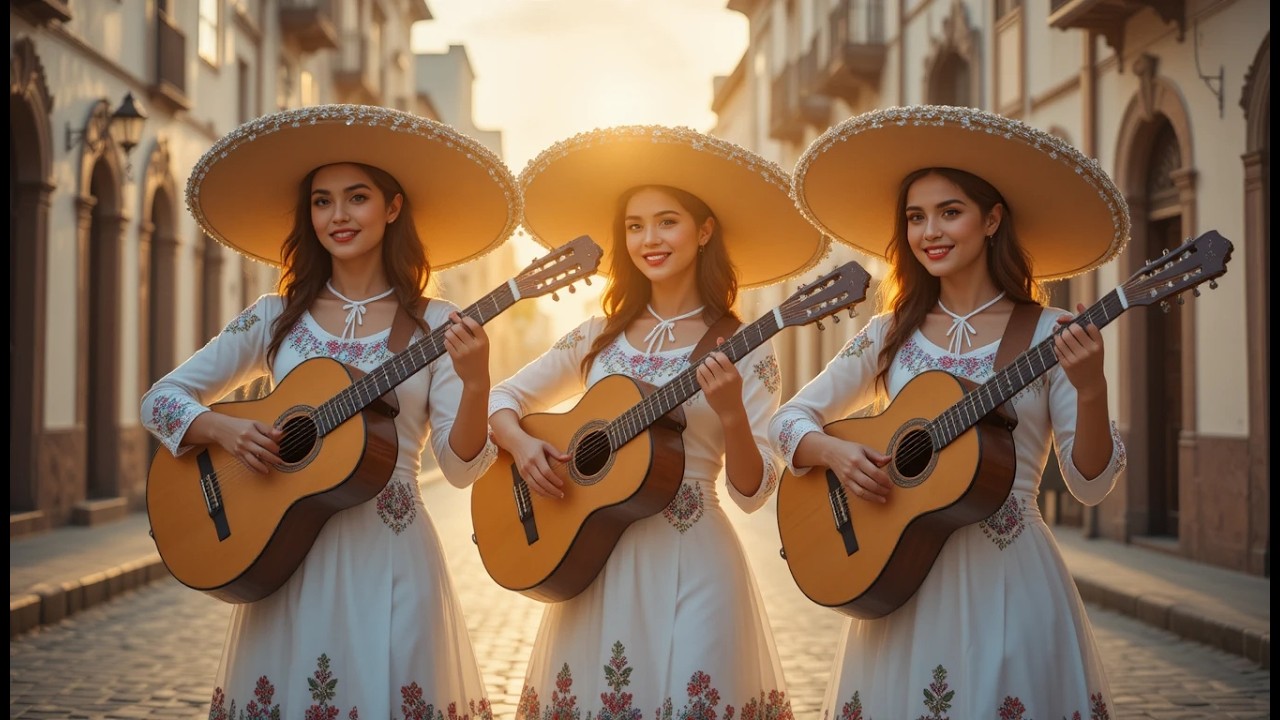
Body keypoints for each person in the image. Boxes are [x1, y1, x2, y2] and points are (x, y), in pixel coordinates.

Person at [140, 104, 519, 718]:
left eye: (357, 197)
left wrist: (476, 386)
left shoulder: (438, 325)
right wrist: (227, 430)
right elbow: (160, 400)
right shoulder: (274, 316)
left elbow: (460, 466)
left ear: (393, 207)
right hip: (287, 553)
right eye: (321, 201)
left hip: (391, 558)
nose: (338, 216)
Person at [773, 105, 1129, 719]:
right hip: (902, 580)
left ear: (992, 219)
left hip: (1010, 582)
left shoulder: (1052, 332)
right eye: (915, 217)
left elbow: (1090, 484)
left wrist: (1091, 390)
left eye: (950, 212)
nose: (929, 232)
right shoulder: (890, 333)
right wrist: (833, 451)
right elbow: (787, 421)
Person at [487, 126, 827, 715]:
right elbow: (501, 400)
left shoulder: (746, 344)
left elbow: (755, 491)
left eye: (667, 221)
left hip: (693, 556)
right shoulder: (598, 335)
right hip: (593, 554)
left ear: (703, 231)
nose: (650, 239)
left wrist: (731, 417)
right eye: (634, 226)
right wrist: (523, 446)